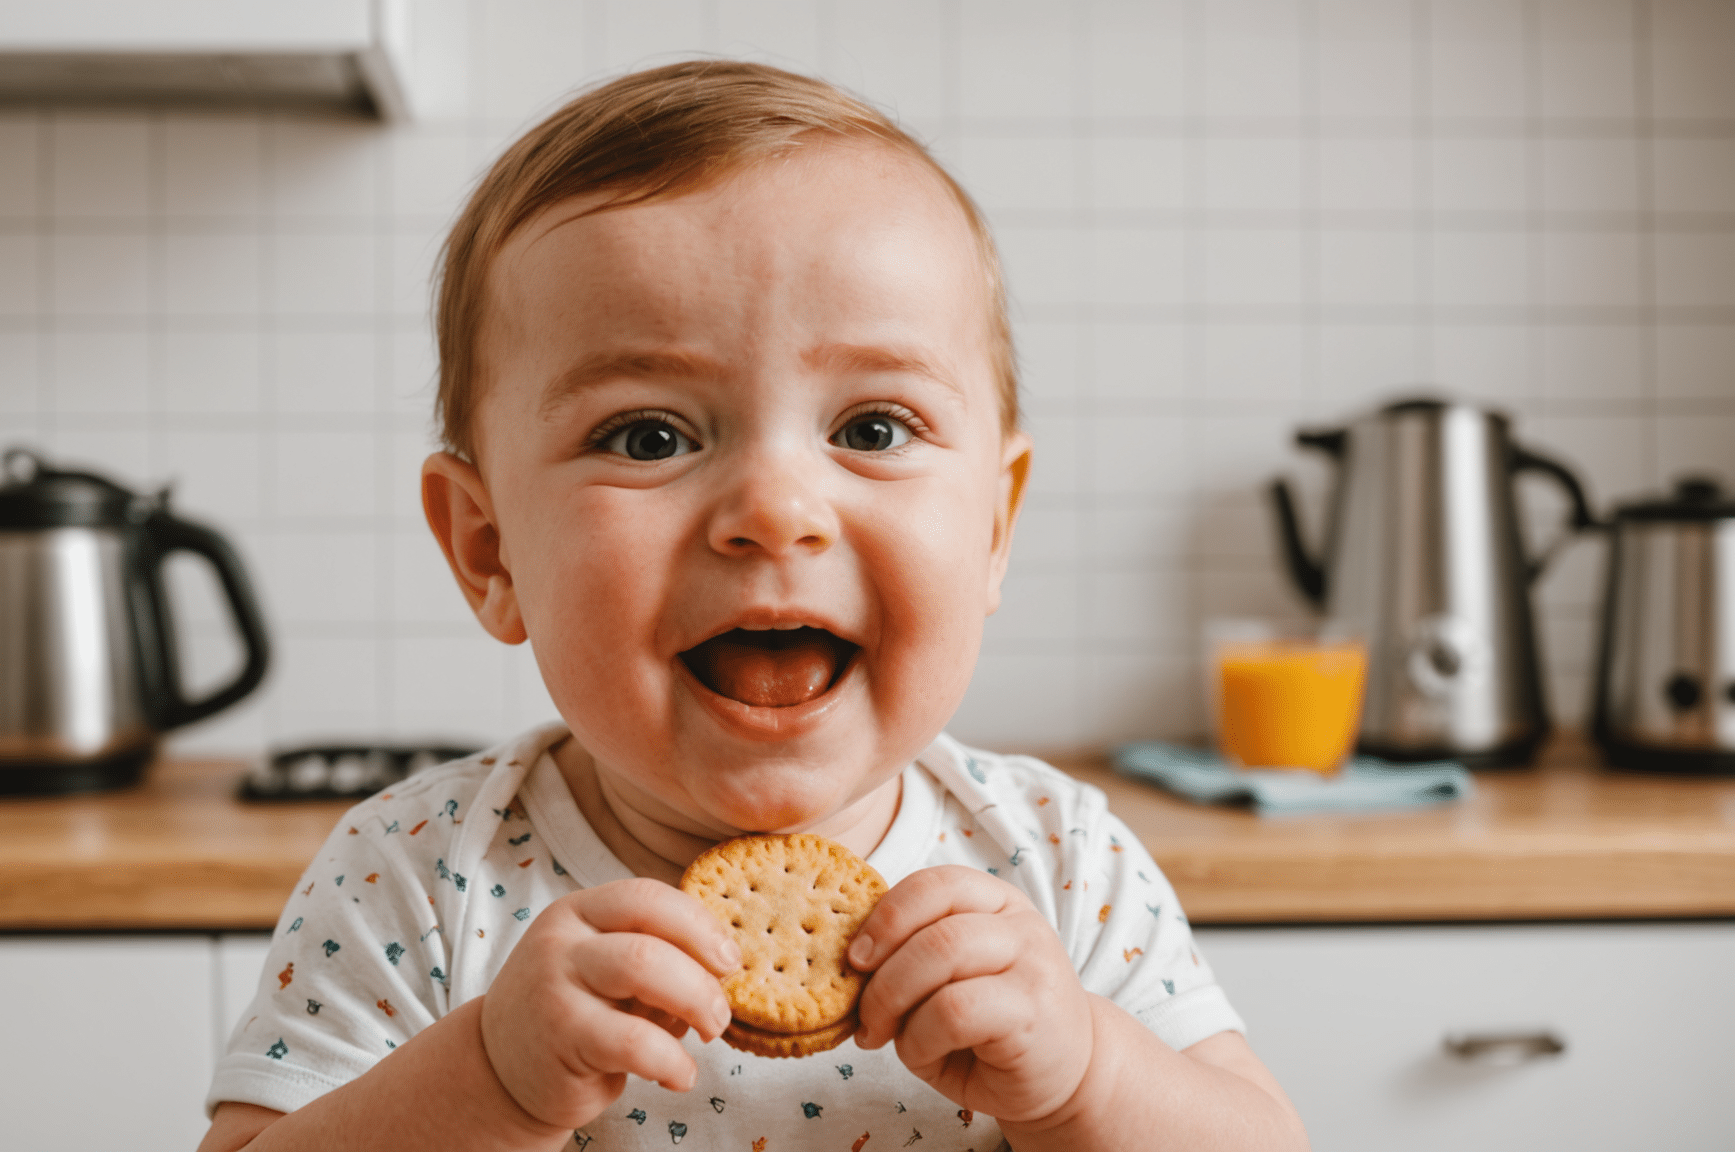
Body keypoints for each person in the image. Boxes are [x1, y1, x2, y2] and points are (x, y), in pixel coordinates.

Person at [197, 60, 1307, 1152]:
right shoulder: (418, 875)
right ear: (490, 551)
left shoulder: (1060, 864)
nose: (775, 511)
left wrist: (1087, 1077)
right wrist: (486, 1081)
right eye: (649, 436)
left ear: (992, 529)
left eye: (872, 429)